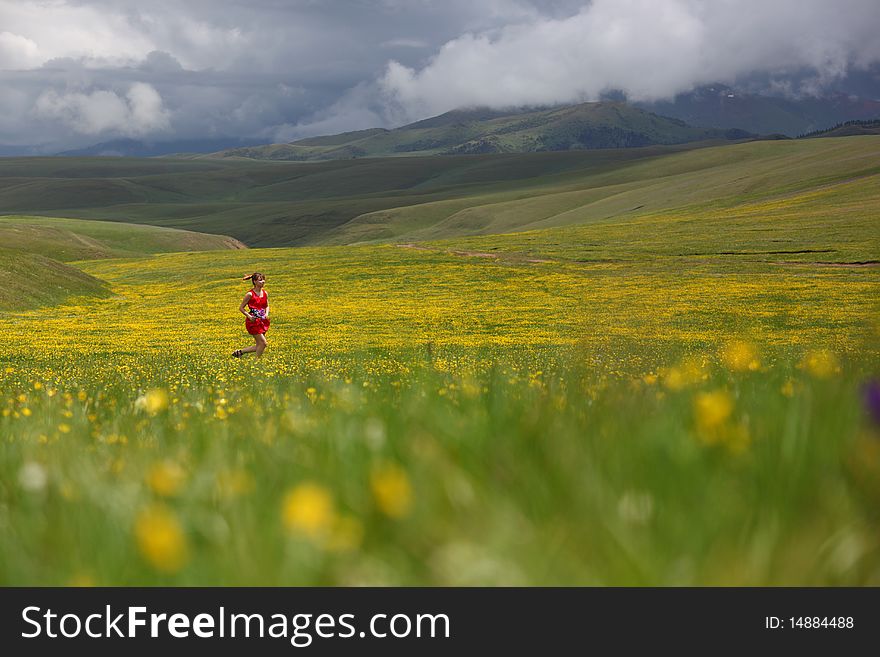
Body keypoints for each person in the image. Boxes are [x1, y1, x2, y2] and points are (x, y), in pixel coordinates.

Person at [232, 272, 270, 358]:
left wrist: (266, 314)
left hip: (263, 321)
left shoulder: (265, 293)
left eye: (263, 280)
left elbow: (267, 306)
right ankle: (256, 362)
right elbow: (241, 308)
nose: (263, 282)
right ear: (254, 282)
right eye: (260, 280)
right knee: (263, 343)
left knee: (259, 345)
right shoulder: (250, 294)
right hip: (253, 322)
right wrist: (249, 316)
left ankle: (239, 352)